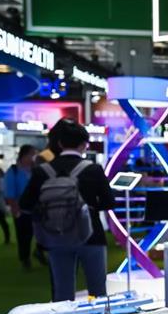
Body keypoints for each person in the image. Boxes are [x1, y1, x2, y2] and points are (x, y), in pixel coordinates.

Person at [19, 119, 116, 301]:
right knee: (97, 293)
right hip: (91, 236)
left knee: (62, 295)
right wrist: (89, 207)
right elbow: (109, 202)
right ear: (84, 144)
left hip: (55, 236)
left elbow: (25, 204)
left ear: (60, 143)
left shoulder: (43, 171)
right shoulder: (93, 169)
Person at [4, 145, 45, 269]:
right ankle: (25, 258)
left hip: (38, 208)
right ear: (24, 155)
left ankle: (39, 251)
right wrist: (15, 208)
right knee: (24, 236)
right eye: (32, 154)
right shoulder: (14, 171)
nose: (33, 157)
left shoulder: (36, 170)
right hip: (21, 209)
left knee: (43, 233)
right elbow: (9, 192)